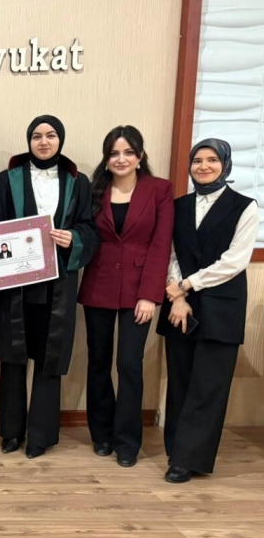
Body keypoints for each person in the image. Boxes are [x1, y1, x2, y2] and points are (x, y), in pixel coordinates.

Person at [0, 115, 98, 458]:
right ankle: (11, 432)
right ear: (28, 140)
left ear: (60, 139)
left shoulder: (78, 182)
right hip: (15, 285)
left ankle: (40, 436)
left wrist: (74, 237)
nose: (43, 142)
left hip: (58, 283)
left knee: (49, 358)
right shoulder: (8, 179)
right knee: (13, 356)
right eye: (36, 136)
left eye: (50, 135)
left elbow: (90, 227)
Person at [157, 138, 258, 483]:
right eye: (197, 160)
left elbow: (234, 261)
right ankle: (176, 451)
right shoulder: (179, 206)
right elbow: (171, 253)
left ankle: (190, 459)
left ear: (225, 165)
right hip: (180, 305)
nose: (204, 166)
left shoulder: (245, 206)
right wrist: (177, 296)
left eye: (212, 160)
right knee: (181, 381)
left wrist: (188, 284)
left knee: (209, 385)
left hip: (222, 306)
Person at [79, 126, 173, 467]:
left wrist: (150, 295)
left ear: (140, 156)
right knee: (98, 362)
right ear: (107, 158)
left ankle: (128, 441)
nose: (121, 159)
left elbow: (161, 245)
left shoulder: (159, 189)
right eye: (114, 153)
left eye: (129, 152)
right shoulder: (94, 189)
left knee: (129, 365)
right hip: (99, 284)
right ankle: (102, 435)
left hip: (139, 290)